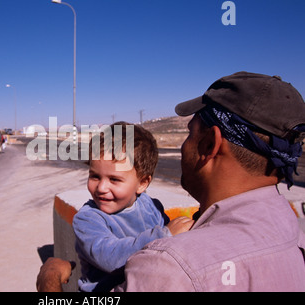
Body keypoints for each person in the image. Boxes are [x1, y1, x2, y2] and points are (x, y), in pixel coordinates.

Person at [37, 71, 305, 292]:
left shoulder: (168, 268)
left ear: (210, 144)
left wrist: (48, 282)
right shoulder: (293, 233)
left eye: (189, 133)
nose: (183, 146)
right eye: (95, 176)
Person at [73, 122, 193, 292]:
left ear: (142, 183)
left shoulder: (151, 206)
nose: (101, 188)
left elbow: (173, 239)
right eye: (95, 176)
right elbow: (109, 258)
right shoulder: (88, 219)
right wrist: (163, 235)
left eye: (114, 179)